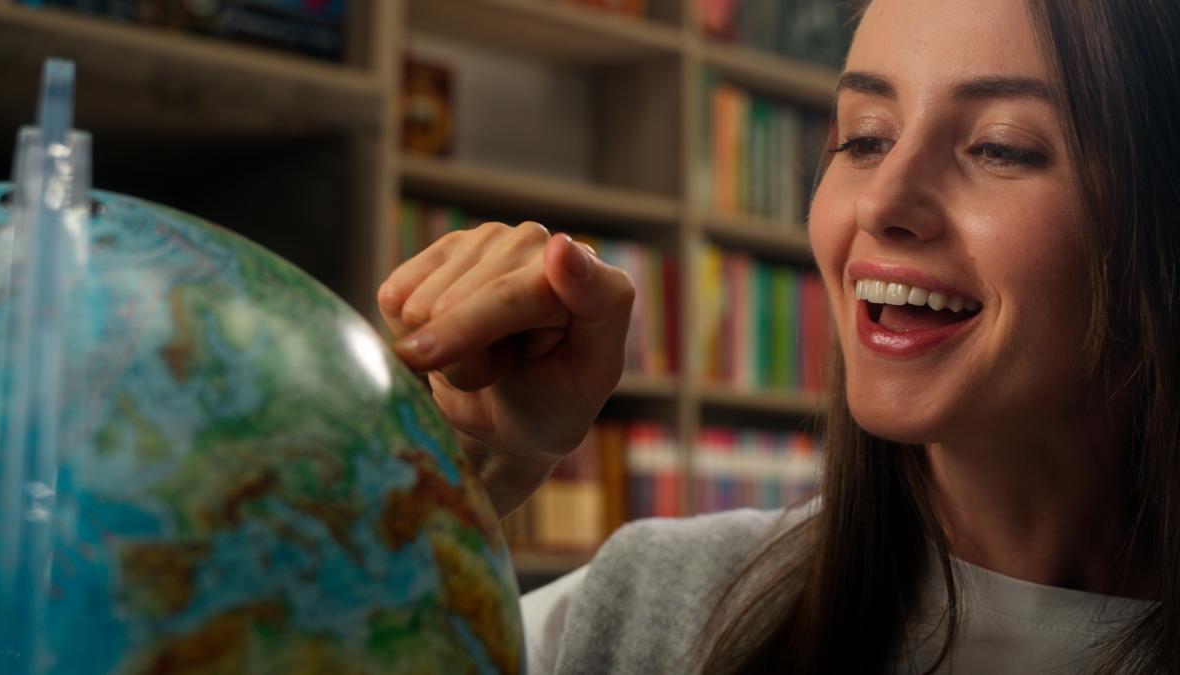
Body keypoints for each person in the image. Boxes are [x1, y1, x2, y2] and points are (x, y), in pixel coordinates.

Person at [377, 0, 1180, 671]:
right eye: (864, 137)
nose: (881, 201)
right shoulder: (652, 607)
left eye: (1001, 147)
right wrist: (465, 486)